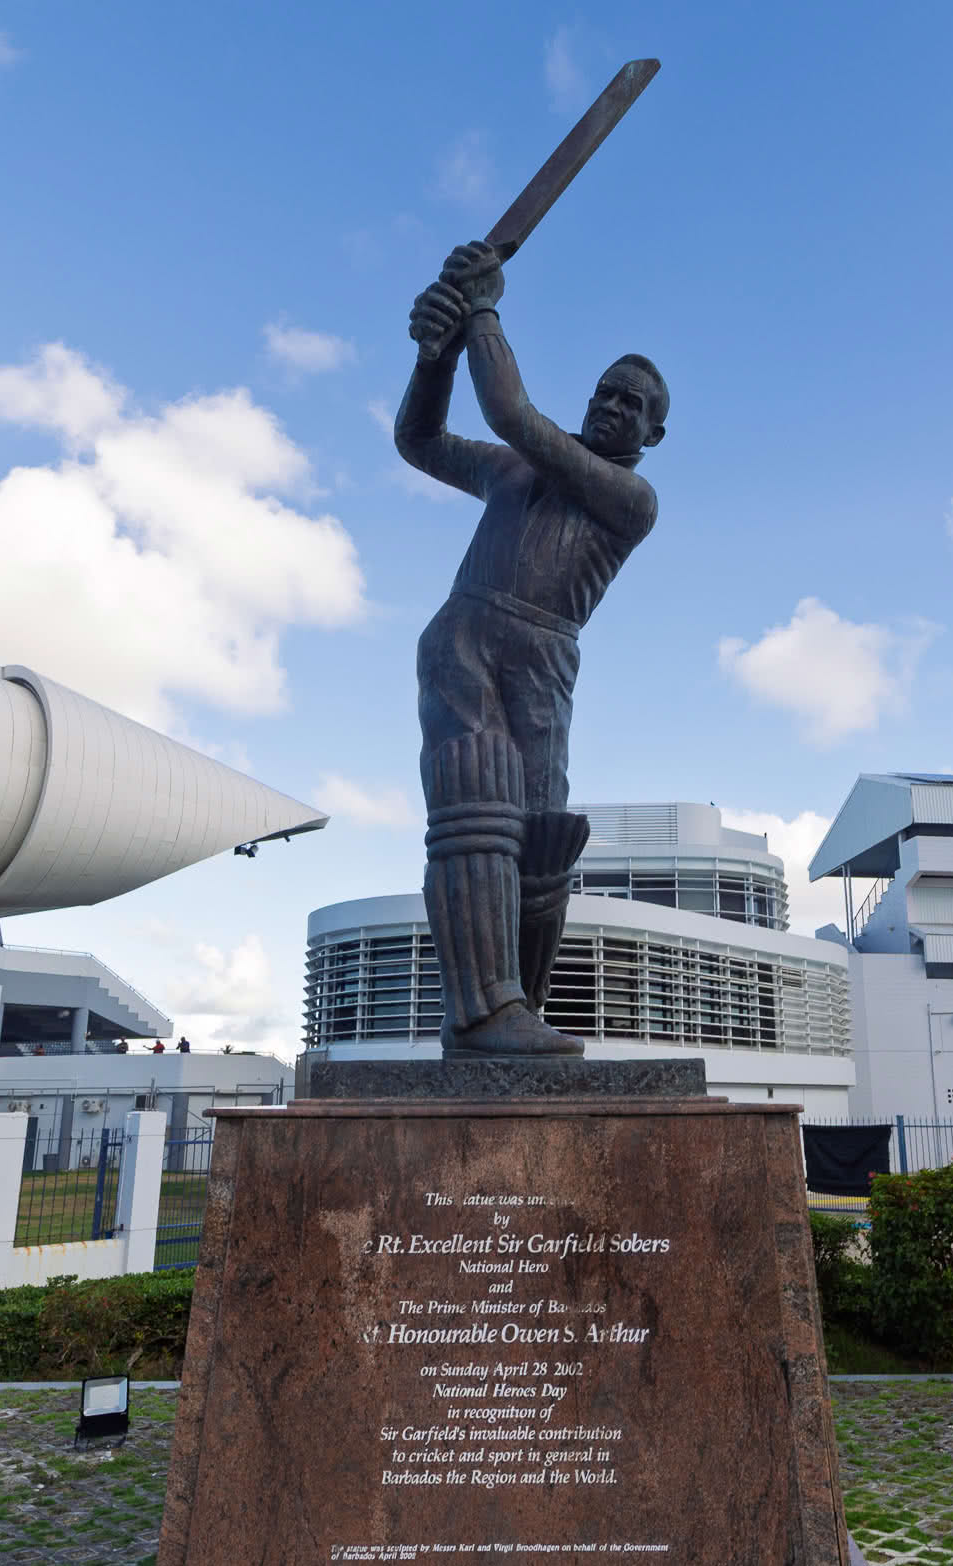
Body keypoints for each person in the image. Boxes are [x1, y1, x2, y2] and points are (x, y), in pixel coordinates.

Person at [396, 240, 666, 1057]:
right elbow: (421, 439)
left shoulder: (630, 498)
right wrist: (434, 356)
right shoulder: (513, 471)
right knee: (478, 810)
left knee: (543, 842)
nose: (612, 407)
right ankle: (481, 1012)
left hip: (545, 659)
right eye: (605, 393)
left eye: (632, 405)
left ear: (655, 433)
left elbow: (511, 412)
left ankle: (520, 1011)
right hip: (470, 634)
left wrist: (480, 307)